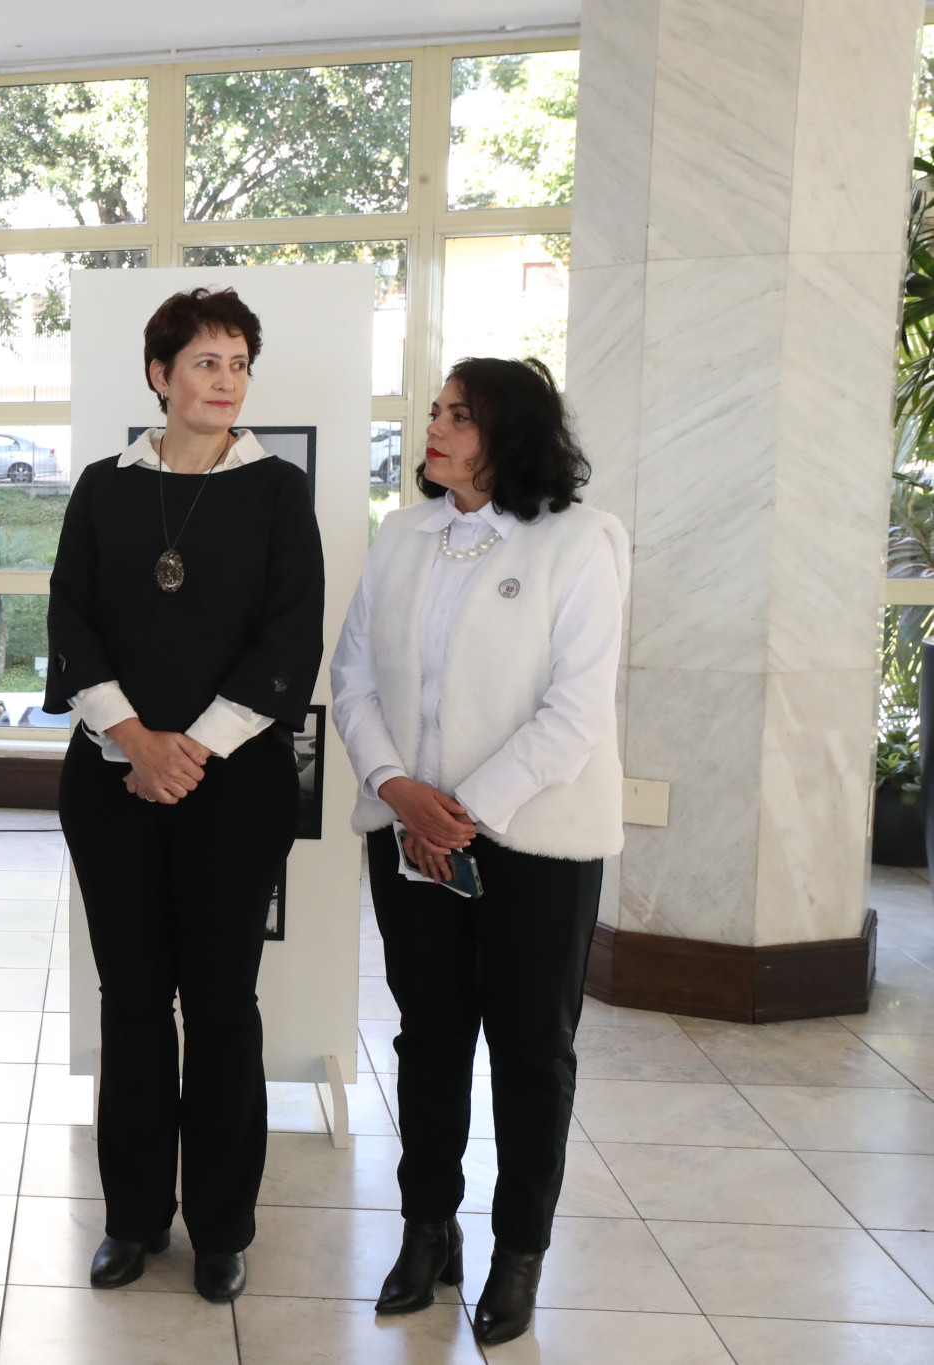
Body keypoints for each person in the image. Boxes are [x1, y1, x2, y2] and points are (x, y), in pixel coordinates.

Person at [330, 357, 628, 1347]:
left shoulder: (579, 541)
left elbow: (575, 709)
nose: (435, 425)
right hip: (410, 835)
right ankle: (427, 1232)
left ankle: (517, 1252)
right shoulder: (403, 533)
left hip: (533, 843)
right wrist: (395, 788)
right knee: (429, 1038)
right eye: (436, 411)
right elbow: (356, 676)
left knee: (529, 1054)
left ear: (512, 433)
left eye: (459, 415)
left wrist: (463, 810)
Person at [43, 287, 324, 1304]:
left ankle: (220, 1226)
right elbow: (69, 623)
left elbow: (289, 640)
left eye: (240, 363)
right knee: (129, 1004)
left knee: (219, 1005)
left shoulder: (276, 493)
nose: (225, 381)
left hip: (233, 786)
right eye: (206, 362)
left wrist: (187, 752)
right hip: (111, 782)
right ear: (160, 376)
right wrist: (131, 740)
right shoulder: (103, 487)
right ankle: (131, 1220)